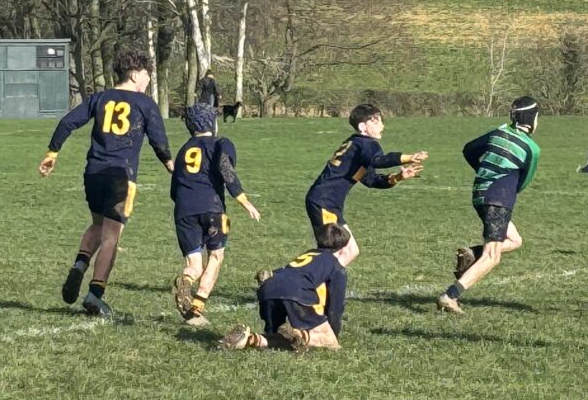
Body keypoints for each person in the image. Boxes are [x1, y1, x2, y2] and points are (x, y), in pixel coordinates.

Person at [38, 48, 172, 321]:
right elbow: (159, 142)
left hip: (93, 173)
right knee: (112, 235)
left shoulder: (99, 98)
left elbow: (67, 122)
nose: (148, 81)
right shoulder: (145, 104)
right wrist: (171, 166)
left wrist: (52, 153)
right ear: (135, 75)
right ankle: (95, 295)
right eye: (146, 76)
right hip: (121, 177)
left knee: (97, 224)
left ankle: (79, 264)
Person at [441, 97, 541, 314]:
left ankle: (472, 253)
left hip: (480, 194)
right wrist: (506, 190)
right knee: (492, 256)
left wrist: (485, 170)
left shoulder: (497, 133)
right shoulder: (531, 148)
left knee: (515, 240)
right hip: (499, 199)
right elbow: (525, 179)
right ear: (532, 118)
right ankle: (450, 296)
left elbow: (469, 149)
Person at [168, 99, 260, 327]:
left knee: (194, 265)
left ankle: (186, 281)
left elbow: (174, 189)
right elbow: (225, 168)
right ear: (212, 122)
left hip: (184, 211)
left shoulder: (183, 150)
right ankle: (198, 305)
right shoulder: (221, 143)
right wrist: (243, 200)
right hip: (212, 208)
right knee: (216, 256)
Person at [303, 103, 426, 258]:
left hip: (327, 201)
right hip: (324, 202)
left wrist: (399, 177)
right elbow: (379, 160)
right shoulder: (366, 143)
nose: (382, 125)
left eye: (381, 121)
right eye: (376, 121)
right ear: (362, 126)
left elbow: (371, 180)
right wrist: (408, 157)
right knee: (337, 252)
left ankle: (310, 276)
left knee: (348, 251)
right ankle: (301, 275)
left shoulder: (358, 145)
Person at [222, 221, 354, 352]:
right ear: (343, 247)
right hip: (294, 291)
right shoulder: (336, 267)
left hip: (269, 287)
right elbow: (336, 307)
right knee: (329, 341)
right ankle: (300, 335)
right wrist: (333, 334)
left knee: (275, 339)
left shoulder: (310, 253)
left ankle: (250, 339)